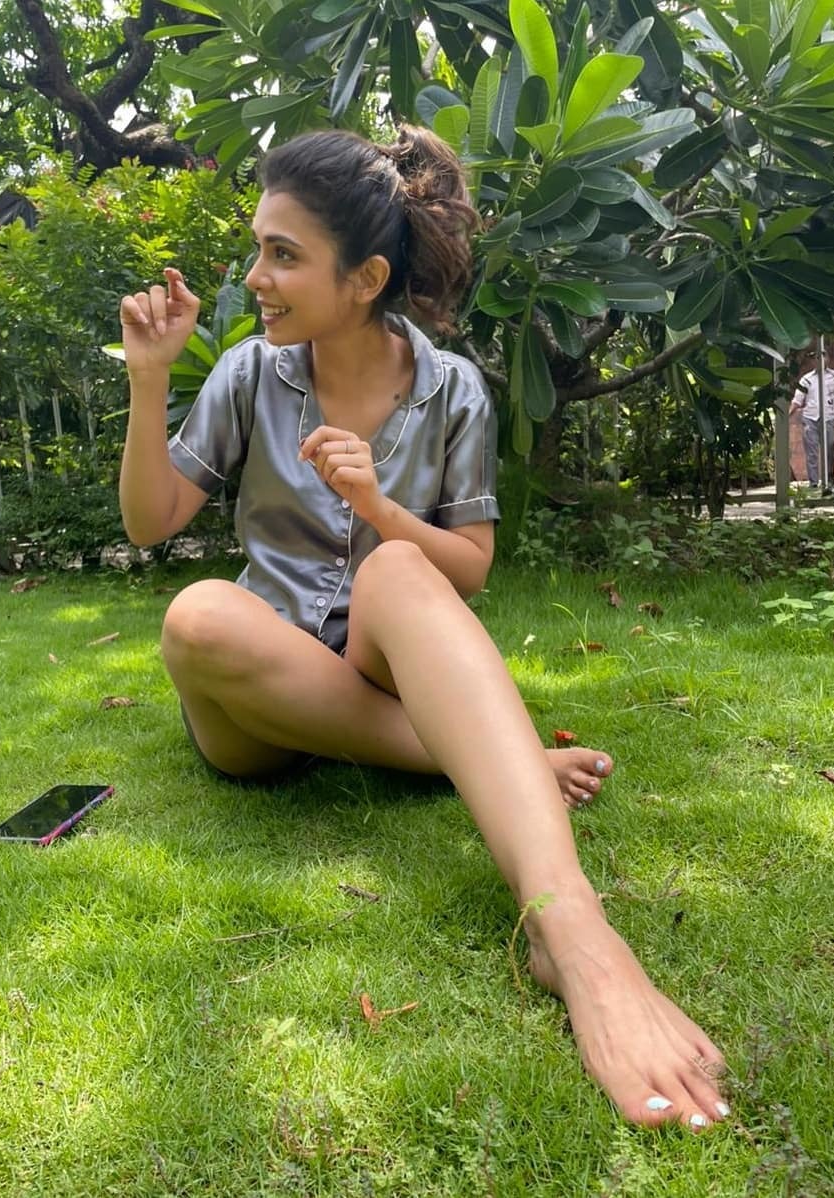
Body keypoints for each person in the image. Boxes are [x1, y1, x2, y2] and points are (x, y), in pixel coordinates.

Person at [118, 125, 728, 1128]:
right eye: (258, 248)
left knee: (399, 564)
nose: (255, 277)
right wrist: (150, 375)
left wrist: (379, 507)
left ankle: (571, 931)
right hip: (260, 701)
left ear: (364, 279)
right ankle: (494, 756)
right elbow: (152, 523)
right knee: (197, 616)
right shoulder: (246, 374)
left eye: (282, 254)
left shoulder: (453, 391)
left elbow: (469, 567)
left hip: (381, 663)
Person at [790, 351, 834, 493]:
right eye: (815, 358)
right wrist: (787, 415)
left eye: (822, 356)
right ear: (812, 361)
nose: (819, 360)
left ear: (828, 358)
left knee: (831, 447)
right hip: (810, 417)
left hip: (829, 416)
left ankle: (830, 479)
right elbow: (798, 400)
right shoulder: (806, 379)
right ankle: (814, 483)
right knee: (811, 452)